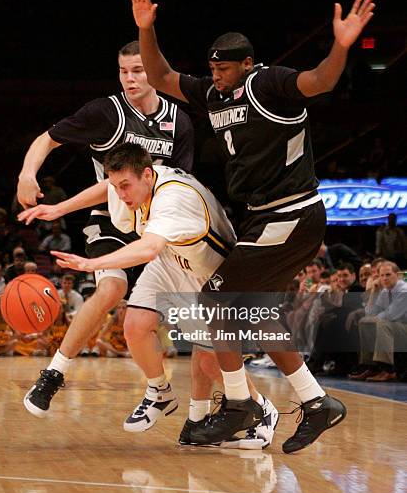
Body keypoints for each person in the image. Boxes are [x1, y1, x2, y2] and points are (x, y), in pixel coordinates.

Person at [129, 0, 374, 451]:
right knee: (253, 315)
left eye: (223, 68)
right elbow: (161, 75)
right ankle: (317, 401)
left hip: (293, 212)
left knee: (215, 300)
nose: (215, 76)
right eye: (212, 68)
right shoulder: (214, 93)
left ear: (246, 63)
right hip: (263, 218)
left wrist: (341, 45)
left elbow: (320, 81)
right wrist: (146, 28)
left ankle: (240, 404)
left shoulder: (269, 84)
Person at [21, 143, 279, 449]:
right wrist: (59, 209)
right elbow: (106, 187)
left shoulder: (173, 199)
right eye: (117, 186)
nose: (120, 194)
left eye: (125, 186)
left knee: (211, 364)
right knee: (135, 325)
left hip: (209, 275)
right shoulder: (133, 184)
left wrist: (93, 264)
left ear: (147, 174)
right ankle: (160, 392)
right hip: (172, 259)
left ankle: (264, 410)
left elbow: (148, 249)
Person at [17, 40, 194, 415]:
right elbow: (47, 140)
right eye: (123, 71)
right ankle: (54, 374)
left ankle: (224, 402)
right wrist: (27, 173)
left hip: (158, 222)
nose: (130, 79)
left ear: (153, 70)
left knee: (203, 305)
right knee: (112, 287)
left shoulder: (178, 121)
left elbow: (179, 184)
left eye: (138, 70)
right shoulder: (106, 113)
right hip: (111, 217)